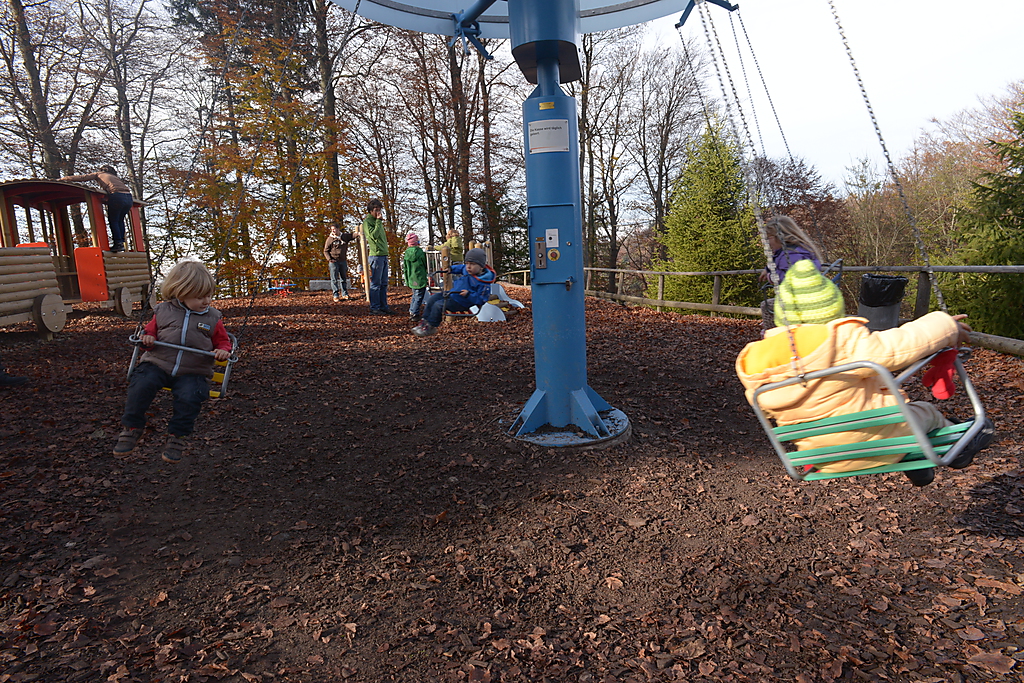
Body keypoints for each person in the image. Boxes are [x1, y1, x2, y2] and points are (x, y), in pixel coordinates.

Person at [736, 259, 995, 487]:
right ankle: (958, 452)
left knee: (891, 418)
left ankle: (918, 467)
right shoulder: (839, 340)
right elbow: (900, 345)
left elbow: (765, 407)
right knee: (925, 413)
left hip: (821, 456)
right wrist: (945, 325)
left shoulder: (758, 362)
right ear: (831, 312)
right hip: (879, 444)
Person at [113, 259, 232, 464]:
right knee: (141, 384)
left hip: (193, 370)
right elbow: (149, 332)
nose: (206, 301)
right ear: (181, 292)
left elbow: (223, 341)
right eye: (199, 296)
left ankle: (178, 437)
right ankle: (132, 428)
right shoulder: (163, 311)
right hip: (159, 363)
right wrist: (147, 339)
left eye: (209, 295)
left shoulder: (213, 317)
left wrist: (222, 351)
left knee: (191, 396)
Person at [411, 248, 495, 337]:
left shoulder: (483, 282)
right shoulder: (467, 270)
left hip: (462, 302)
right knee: (432, 299)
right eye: (467, 263)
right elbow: (461, 267)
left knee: (438, 305)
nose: (468, 266)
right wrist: (451, 269)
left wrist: (468, 294)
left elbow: (482, 299)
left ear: (481, 267)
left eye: (472, 264)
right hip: (453, 294)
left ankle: (431, 327)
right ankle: (424, 322)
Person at [759, 215, 824, 329]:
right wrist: (767, 268)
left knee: (767, 306)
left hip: (801, 299)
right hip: (805, 296)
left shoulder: (790, 255)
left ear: (779, 237)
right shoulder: (798, 250)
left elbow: (789, 277)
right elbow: (777, 261)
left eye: (768, 238)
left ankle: (774, 333)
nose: (767, 242)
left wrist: (770, 276)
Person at [60, 165, 134, 253]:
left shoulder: (99, 174)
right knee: (120, 220)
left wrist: (64, 179)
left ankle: (118, 243)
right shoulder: (115, 178)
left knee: (113, 220)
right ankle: (121, 242)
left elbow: (83, 177)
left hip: (117, 195)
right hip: (129, 198)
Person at [362, 199, 391, 314]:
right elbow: (373, 236)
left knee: (384, 284)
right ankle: (374, 308)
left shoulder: (378, 222)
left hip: (383, 255)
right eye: (376, 210)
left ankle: (384, 306)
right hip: (375, 256)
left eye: (380, 210)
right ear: (370, 211)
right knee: (376, 283)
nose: (379, 213)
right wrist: (378, 222)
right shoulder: (367, 222)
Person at [323, 224, 354, 302]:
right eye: (332, 229)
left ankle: (345, 294)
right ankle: (336, 295)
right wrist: (330, 259)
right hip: (334, 261)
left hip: (342, 261)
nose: (333, 231)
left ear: (338, 229)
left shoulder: (344, 237)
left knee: (343, 278)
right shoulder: (330, 239)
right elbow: (325, 251)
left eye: (334, 229)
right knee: (334, 279)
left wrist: (359, 233)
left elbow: (352, 235)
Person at [402, 232, 428, 323]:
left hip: (411, 277)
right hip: (420, 277)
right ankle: (414, 313)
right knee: (419, 296)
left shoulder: (406, 253)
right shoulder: (420, 252)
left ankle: (412, 310)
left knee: (415, 295)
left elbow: (405, 267)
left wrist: (407, 279)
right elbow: (425, 264)